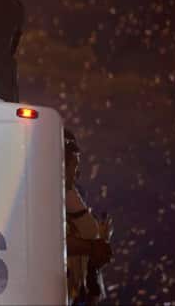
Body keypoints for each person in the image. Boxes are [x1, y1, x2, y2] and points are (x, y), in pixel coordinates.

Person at [64, 129, 114, 305]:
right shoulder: (44, 197)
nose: (76, 174)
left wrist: (94, 263)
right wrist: (93, 245)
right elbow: (52, 241)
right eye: (74, 166)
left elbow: (92, 295)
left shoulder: (72, 196)